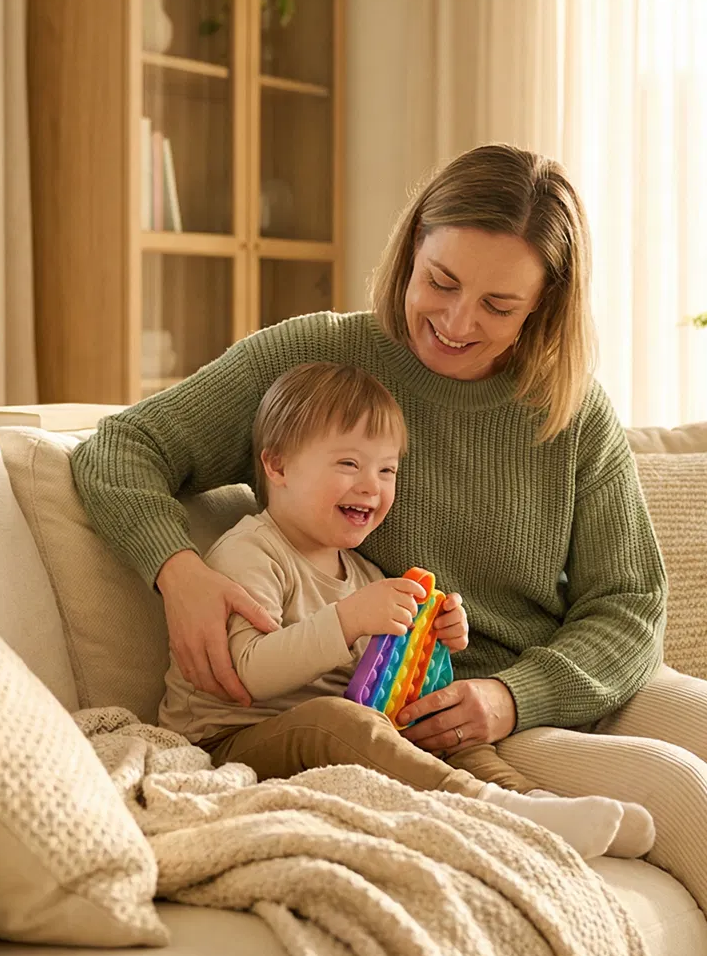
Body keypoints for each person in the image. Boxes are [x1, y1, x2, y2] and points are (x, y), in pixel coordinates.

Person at [72, 143, 707, 956]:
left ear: (545, 303)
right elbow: (120, 452)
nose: (457, 322)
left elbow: (629, 604)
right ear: (410, 252)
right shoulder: (322, 361)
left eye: (499, 305)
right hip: (443, 712)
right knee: (692, 798)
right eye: (441, 282)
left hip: (553, 687)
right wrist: (178, 572)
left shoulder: (568, 408)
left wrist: (515, 695)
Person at [157, 359, 655, 859]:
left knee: (434, 720)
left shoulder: (363, 572)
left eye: (386, 469)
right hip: (229, 739)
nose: (371, 485)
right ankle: (488, 806)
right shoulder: (250, 551)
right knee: (338, 720)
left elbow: (382, 676)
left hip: (330, 735)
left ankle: (529, 802)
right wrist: (350, 619)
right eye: (349, 464)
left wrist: (435, 636)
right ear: (279, 466)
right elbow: (247, 674)